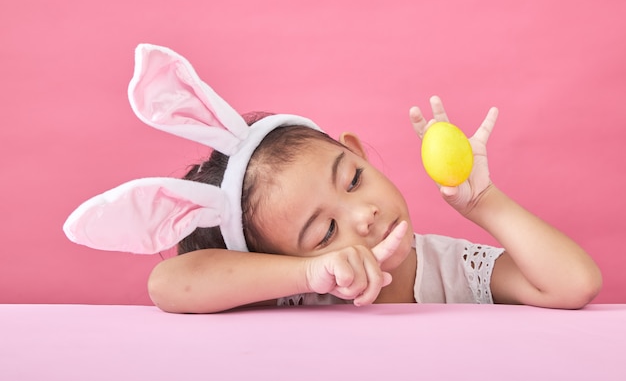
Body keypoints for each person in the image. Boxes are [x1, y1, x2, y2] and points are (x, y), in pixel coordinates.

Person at [63, 44, 602, 314]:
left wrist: (484, 201)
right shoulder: (296, 292)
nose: (363, 215)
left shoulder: (452, 268)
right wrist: (309, 273)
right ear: (277, 258)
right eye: (322, 233)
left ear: (358, 152)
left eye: (353, 181)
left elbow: (574, 285)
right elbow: (167, 285)